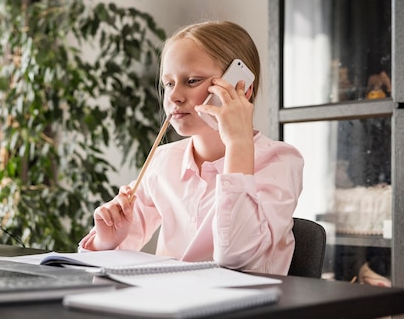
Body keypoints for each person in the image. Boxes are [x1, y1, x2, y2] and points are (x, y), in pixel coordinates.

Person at [79, 20, 304, 275]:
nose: (174, 96)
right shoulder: (164, 161)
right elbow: (100, 260)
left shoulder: (280, 162)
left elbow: (238, 259)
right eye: (169, 84)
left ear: (242, 86)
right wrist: (106, 240)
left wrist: (238, 143)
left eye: (192, 80)